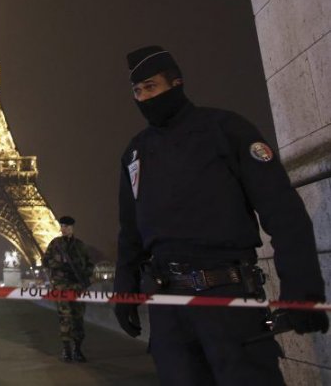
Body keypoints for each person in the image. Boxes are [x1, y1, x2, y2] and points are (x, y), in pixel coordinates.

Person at [114, 45, 329, 385]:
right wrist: (123, 288)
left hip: (228, 300)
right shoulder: (134, 153)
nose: (143, 98)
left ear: (177, 83)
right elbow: (130, 232)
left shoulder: (228, 130)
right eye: (137, 91)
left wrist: (302, 290)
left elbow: (282, 210)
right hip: (168, 308)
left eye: (151, 87)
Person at [43, 215, 93, 362]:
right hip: (62, 286)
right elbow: (45, 261)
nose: (64, 229)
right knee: (65, 318)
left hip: (78, 286)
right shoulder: (55, 244)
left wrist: (87, 278)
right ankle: (66, 350)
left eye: (67, 226)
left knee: (78, 319)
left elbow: (89, 264)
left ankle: (77, 349)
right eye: (62, 226)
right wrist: (59, 265)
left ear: (72, 228)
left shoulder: (80, 245)